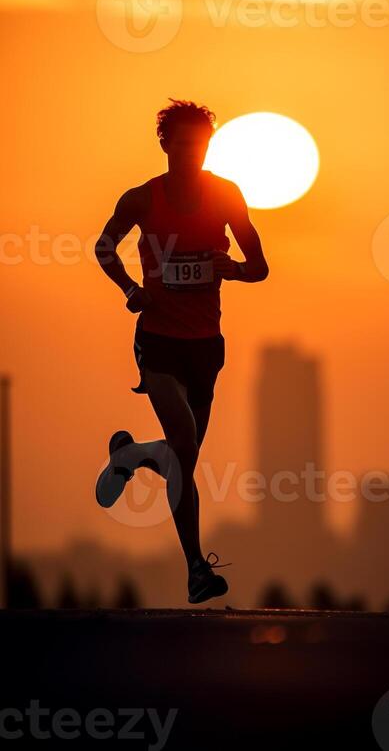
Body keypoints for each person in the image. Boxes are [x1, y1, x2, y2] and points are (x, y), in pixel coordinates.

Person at [93, 99, 269, 604]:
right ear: (166, 144)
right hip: (159, 342)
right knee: (186, 444)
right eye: (183, 143)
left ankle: (131, 454)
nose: (192, 152)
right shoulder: (142, 200)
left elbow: (259, 266)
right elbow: (104, 246)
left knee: (184, 461)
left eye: (201, 143)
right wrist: (129, 288)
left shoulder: (226, 195)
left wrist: (229, 267)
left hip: (206, 348)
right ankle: (196, 568)